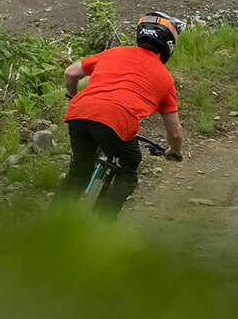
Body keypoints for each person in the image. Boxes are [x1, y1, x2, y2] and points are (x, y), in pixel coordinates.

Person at [62, 12, 186, 212]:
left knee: (78, 171)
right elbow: (175, 132)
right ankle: (103, 224)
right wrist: (174, 150)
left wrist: (73, 95)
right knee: (129, 168)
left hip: (78, 114)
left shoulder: (114, 52)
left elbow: (70, 72)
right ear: (169, 44)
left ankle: (51, 222)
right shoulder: (165, 78)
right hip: (116, 122)